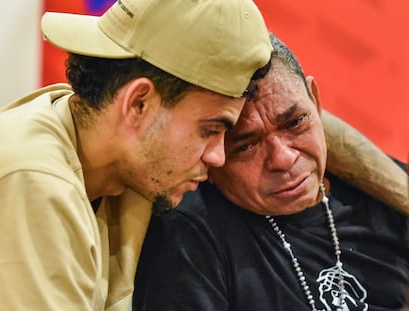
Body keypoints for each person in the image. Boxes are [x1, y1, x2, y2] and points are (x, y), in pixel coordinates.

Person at [0, 0, 273, 310]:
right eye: (209, 130)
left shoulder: (112, 153)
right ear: (139, 103)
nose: (218, 157)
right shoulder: (33, 181)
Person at [133, 33, 409, 311]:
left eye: (295, 123)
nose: (283, 158)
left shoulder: (385, 192)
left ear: (315, 100)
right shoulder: (189, 238)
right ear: (211, 147)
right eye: (246, 145)